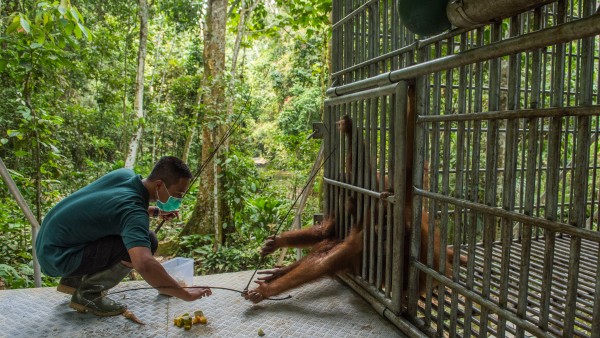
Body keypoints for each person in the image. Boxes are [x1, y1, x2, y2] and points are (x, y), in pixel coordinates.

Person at [35, 156, 211, 316]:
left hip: (50, 244)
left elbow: (107, 209)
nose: (179, 200)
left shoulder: (124, 175)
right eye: (178, 194)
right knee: (148, 241)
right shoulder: (132, 211)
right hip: (59, 257)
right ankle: (88, 294)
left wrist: (156, 211)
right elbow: (144, 263)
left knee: (128, 236)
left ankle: (73, 280)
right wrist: (184, 293)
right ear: (159, 185)